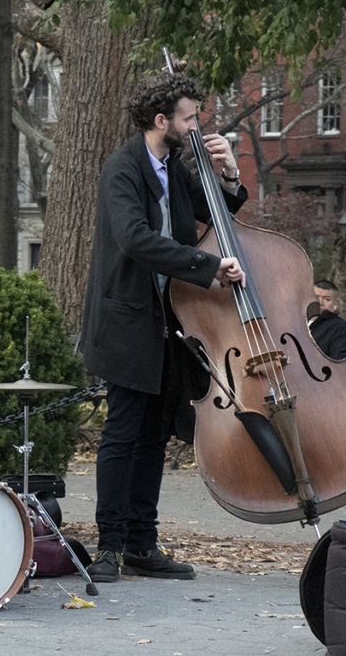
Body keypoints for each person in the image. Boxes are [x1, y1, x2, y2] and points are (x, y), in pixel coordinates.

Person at [79, 71, 247, 583]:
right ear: (161, 121)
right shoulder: (123, 168)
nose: (197, 126)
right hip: (127, 319)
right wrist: (208, 269)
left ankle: (141, 544)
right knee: (123, 433)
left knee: (154, 436)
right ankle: (108, 546)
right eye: (190, 117)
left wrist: (231, 174)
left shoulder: (174, 164)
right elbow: (134, 238)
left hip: (168, 321)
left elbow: (214, 214)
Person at [308, 279, 346, 360]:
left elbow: (339, 361)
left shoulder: (340, 328)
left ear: (336, 303)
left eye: (327, 299)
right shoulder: (299, 322)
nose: (320, 303)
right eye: (316, 297)